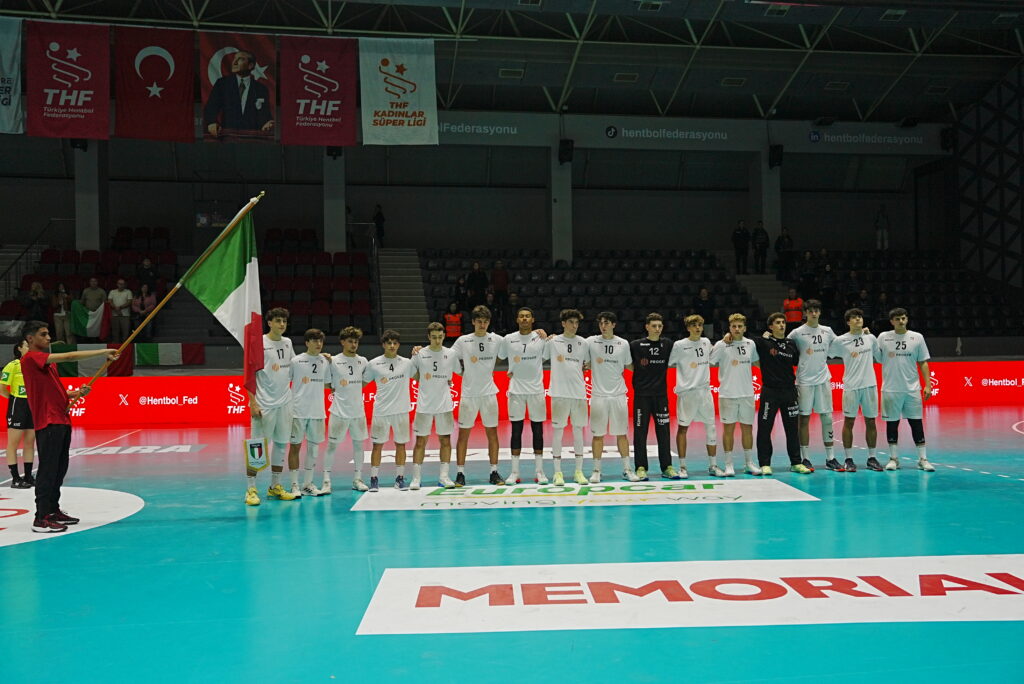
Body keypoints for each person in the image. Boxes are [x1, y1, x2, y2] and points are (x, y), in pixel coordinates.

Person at [20, 321, 118, 533]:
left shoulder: (47, 364)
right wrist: (103, 352)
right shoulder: (31, 358)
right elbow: (69, 356)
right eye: (43, 334)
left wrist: (75, 394)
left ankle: (53, 510)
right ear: (30, 338)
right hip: (48, 422)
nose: (48, 338)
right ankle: (41, 518)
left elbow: (54, 392)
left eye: (48, 334)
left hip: (61, 419)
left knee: (59, 469)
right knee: (48, 470)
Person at [449, 305, 507, 485]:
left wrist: (538, 333)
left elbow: (518, 343)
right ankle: (460, 473)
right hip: (468, 395)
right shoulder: (463, 341)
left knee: (492, 434)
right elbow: (447, 357)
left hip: (489, 394)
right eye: (479, 321)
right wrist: (420, 351)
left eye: (485, 321)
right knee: (463, 436)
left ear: (489, 322)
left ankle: (494, 472)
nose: (482, 325)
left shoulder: (497, 339)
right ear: (473, 322)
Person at [245, 307, 297, 506]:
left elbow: (296, 366)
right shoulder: (259, 343)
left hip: (285, 402)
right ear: (269, 323)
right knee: (257, 447)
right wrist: (252, 401)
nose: (282, 324)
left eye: (284, 321)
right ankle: (251, 489)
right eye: (277, 321)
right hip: (264, 404)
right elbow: (250, 373)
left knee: (281, 445)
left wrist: (323, 359)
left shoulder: (288, 342)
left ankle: (275, 486)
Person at [874, 308, 934, 472]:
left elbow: (923, 362)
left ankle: (923, 459)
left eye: (903, 318)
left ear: (907, 319)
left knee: (916, 423)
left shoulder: (917, 337)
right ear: (892, 321)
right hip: (891, 389)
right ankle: (893, 459)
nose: (901, 321)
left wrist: (928, 385)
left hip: (912, 389)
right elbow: (877, 357)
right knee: (892, 424)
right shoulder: (883, 337)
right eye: (897, 319)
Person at [753, 313, 808, 475]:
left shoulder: (791, 344)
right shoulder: (763, 342)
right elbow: (742, 340)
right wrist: (728, 336)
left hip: (789, 391)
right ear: (770, 326)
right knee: (765, 428)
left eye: (783, 322)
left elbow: (796, 361)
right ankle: (764, 464)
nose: (782, 325)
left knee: (792, 429)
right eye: (777, 322)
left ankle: (796, 462)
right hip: (770, 392)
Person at [787, 299, 838, 471]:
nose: (814, 313)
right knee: (804, 419)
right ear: (805, 313)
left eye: (816, 310)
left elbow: (843, 343)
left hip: (823, 380)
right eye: (810, 310)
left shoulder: (828, 331)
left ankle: (830, 458)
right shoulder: (797, 333)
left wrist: (862, 333)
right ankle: (805, 458)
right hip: (804, 381)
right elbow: (782, 345)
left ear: (820, 312)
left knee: (827, 418)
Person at [829, 308, 882, 472]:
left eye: (860, 317)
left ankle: (872, 458)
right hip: (851, 386)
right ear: (848, 322)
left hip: (870, 385)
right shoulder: (840, 341)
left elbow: (880, 358)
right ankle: (848, 459)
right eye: (854, 317)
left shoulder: (870, 338)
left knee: (871, 421)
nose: (858, 319)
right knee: (849, 422)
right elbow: (827, 353)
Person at [586, 312, 637, 483]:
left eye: (606, 323)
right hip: (598, 396)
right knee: (598, 435)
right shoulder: (590, 342)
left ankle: (627, 469)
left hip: (618, 395)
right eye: (601, 323)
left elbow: (629, 365)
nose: (603, 326)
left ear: (614, 324)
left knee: (621, 434)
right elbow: (571, 343)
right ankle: (596, 471)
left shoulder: (623, 343)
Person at [543, 308, 591, 486]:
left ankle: (579, 471)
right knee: (558, 432)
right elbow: (540, 357)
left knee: (578, 432)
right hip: (559, 393)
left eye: (577, 323)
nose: (574, 325)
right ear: (563, 323)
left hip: (578, 393)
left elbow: (587, 364)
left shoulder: (583, 343)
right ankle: (557, 472)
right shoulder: (553, 342)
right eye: (571, 322)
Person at [363, 329, 416, 491]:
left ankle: (400, 479)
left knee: (401, 445)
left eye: (395, 343)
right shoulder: (373, 364)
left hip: (401, 411)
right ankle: (374, 479)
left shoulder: (407, 363)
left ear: (398, 345)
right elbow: (361, 383)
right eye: (389, 343)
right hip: (381, 411)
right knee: (377, 446)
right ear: (383, 345)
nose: (392, 346)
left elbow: (421, 376)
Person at [502, 307, 548, 485]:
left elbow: (554, 346)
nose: (524, 319)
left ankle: (540, 471)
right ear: (517, 320)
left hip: (536, 390)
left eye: (527, 316)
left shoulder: (541, 338)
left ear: (533, 319)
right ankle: (514, 473)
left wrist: (549, 335)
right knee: (516, 431)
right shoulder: (508, 339)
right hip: (516, 391)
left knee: (538, 431)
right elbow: (498, 356)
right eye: (521, 316)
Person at [668, 315, 717, 478]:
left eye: (700, 325)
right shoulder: (679, 345)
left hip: (704, 392)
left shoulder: (706, 342)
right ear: (688, 328)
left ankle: (713, 465)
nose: (697, 328)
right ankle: (682, 467)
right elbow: (670, 363)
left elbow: (716, 354)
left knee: (711, 427)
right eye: (694, 325)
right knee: (683, 428)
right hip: (687, 394)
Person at [711, 313, 761, 476]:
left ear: (745, 328)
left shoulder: (751, 344)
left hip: (747, 394)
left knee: (748, 429)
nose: (737, 329)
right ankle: (728, 464)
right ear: (729, 328)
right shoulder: (721, 345)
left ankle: (749, 463)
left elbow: (757, 362)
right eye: (734, 326)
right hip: (727, 394)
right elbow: (709, 362)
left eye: (740, 326)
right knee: (728, 430)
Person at [411, 322, 459, 489]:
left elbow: (458, 371)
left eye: (440, 337)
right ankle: (416, 478)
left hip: (444, 405)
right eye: (434, 337)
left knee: (445, 440)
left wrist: (447, 380)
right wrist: (425, 379)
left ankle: (444, 477)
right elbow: (412, 372)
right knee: (420, 441)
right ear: (428, 337)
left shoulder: (451, 354)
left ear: (444, 336)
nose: (437, 340)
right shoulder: (419, 353)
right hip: (424, 405)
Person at [629, 313, 675, 481]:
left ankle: (667, 467)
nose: (657, 329)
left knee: (664, 432)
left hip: (661, 396)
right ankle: (641, 467)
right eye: (654, 326)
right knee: (640, 432)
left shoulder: (668, 344)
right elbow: (626, 362)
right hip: (642, 396)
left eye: (660, 326)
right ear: (647, 327)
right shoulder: (635, 345)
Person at [326, 326, 370, 493]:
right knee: (331, 446)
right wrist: (335, 387)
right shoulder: (333, 360)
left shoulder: (363, 361)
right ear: (342, 342)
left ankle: (357, 479)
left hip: (358, 412)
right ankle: (326, 480)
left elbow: (365, 381)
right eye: (350, 341)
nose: (354, 344)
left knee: (359, 446)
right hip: (339, 411)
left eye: (356, 341)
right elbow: (326, 382)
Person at [288, 329, 331, 497]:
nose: (318, 344)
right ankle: (294, 485)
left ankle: (307, 484)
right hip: (298, 411)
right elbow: (285, 382)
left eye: (320, 341)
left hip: (318, 412)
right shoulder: (296, 361)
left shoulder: (325, 361)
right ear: (307, 343)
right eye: (314, 340)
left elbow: (327, 384)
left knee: (313, 450)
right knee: (295, 447)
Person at [202, 50, 274, 138]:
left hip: (252, 138)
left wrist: (268, 122)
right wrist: (211, 122)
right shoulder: (222, 84)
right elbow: (210, 108)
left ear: (250, 65)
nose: (234, 62)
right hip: (227, 137)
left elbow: (265, 115)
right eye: (234, 58)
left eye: (240, 59)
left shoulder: (261, 89)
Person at [2, 341, 35, 488]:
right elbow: (2, 388)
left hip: (32, 405)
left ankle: (28, 476)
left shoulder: (35, 365)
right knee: (13, 443)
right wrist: (14, 400)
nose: (30, 348)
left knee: (29, 442)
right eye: (27, 345)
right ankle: (15, 478)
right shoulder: (12, 366)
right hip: (18, 405)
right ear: (19, 348)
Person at [107, 278, 133, 344]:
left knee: (125, 332)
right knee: (115, 332)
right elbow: (109, 302)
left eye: (123, 284)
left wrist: (119, 307)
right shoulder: (112, 292)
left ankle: (125, 346)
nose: (121, 285)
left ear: (125, 285)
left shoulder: (128, 292)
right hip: (114, 315)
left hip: (125, 315)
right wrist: (116, 309)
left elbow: (129, 302)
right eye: (120, 284)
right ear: (117, 284)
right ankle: (116, 346)